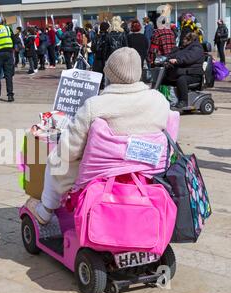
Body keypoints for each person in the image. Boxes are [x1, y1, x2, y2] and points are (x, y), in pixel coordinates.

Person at [24, 47, 171, 224]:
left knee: (55, 160)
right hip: (148, 172)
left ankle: (46, 210)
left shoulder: (95, 105)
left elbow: (69, 151)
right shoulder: (159, 100)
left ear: (110, 74)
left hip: (101, 176)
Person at [165, 32, 205, 109]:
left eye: (184, 39)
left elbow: (188, 57)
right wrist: (167, 58)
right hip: (186, 71)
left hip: (194, 74)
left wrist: (177, 60)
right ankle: (168, 99)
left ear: (189, 39)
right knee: (165, 78)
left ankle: (183, 101)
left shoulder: (197, 48)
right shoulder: (185, 47)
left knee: (181, 79)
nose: (183, 40)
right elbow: (177, 53)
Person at [92, 22, 109, 89]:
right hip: (106, 58)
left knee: (98, 76)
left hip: (97, 58)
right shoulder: (108, 36)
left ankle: (99, 87)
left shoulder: (96, 36)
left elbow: (93, 48)